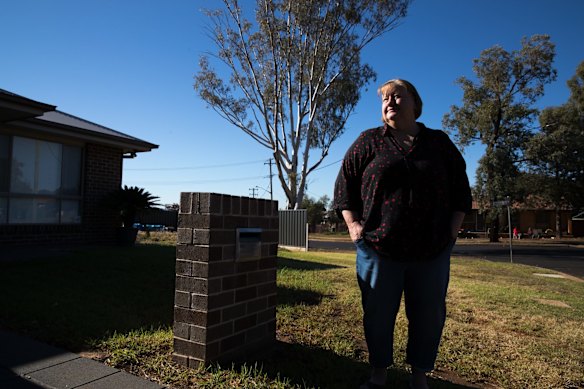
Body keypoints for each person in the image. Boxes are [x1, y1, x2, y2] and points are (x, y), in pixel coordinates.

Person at [333, 79, 472, 389]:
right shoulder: (369, 141)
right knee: (378, 316)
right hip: (379, 248)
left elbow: (461, 190)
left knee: (428, 317)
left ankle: (419, 377)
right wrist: (354, 227)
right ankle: (378, 374)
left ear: (415, 103)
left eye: (397, 96)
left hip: (432, 249)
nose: (389, 102)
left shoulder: (438, 142)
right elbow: (345, 187)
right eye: (384, 99)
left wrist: (452, 230)